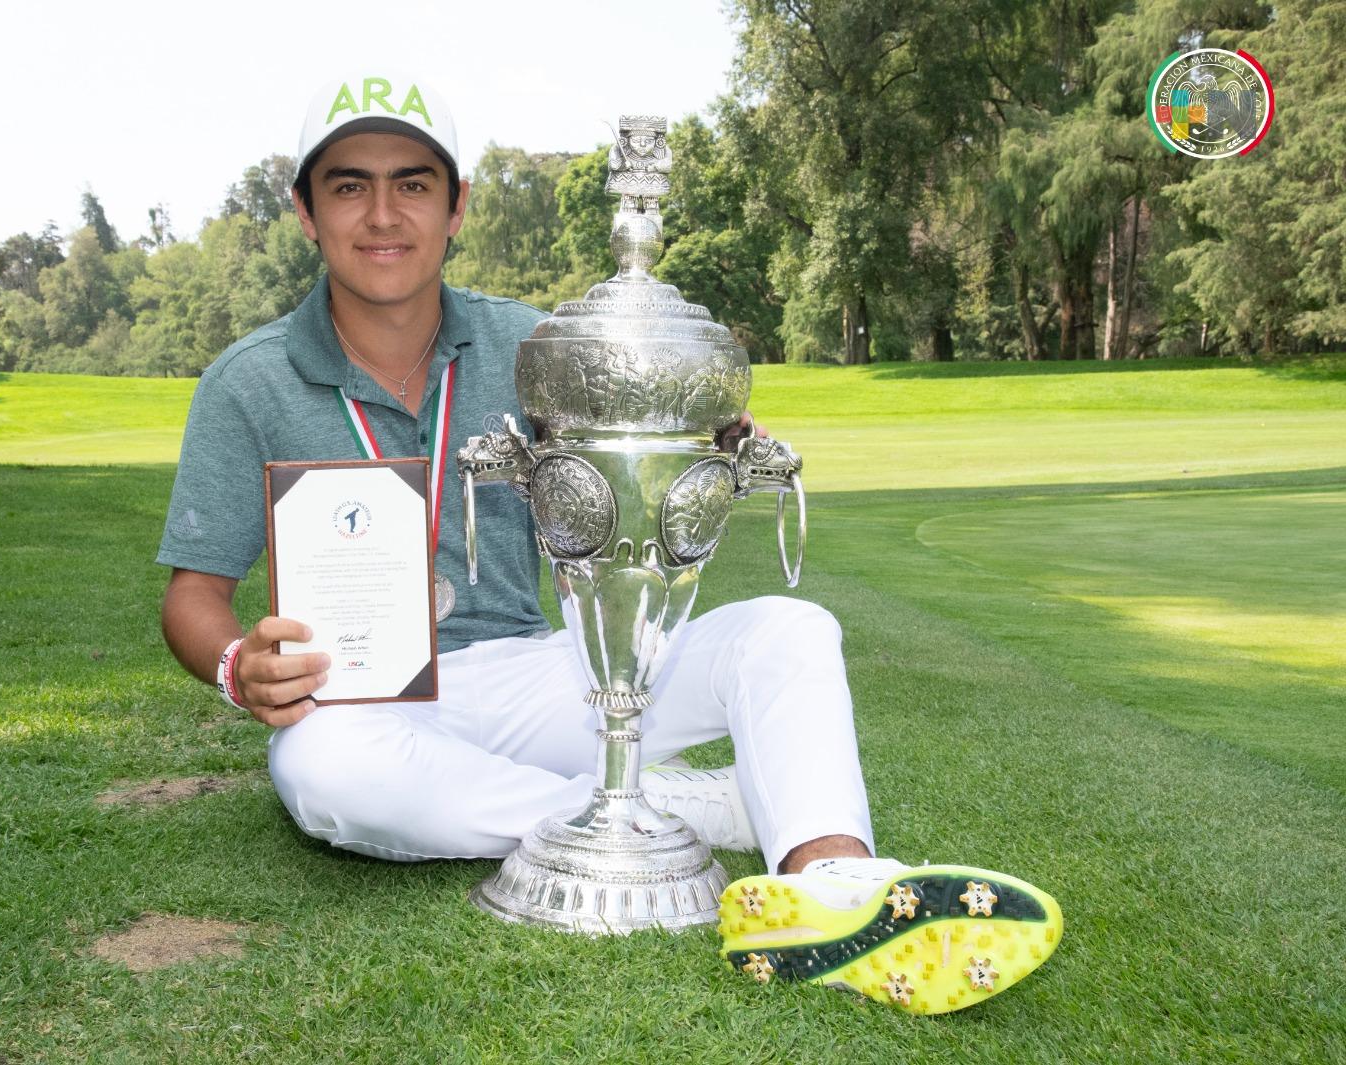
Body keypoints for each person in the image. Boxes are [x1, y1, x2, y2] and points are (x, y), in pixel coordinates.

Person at [157, 71, 1062, 1015]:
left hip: (541, 677)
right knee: (320, 770)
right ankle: (666, 809)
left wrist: (698, 427)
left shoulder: (540, 343)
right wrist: (235, 667)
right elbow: (193, 595)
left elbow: (656, 437)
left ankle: (833, 884)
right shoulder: (247, 381)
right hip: (362, 700)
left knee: (788, 629)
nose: (383, 213)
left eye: (413, 182)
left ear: (457, 204)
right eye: (349, 185)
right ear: (305, 211)